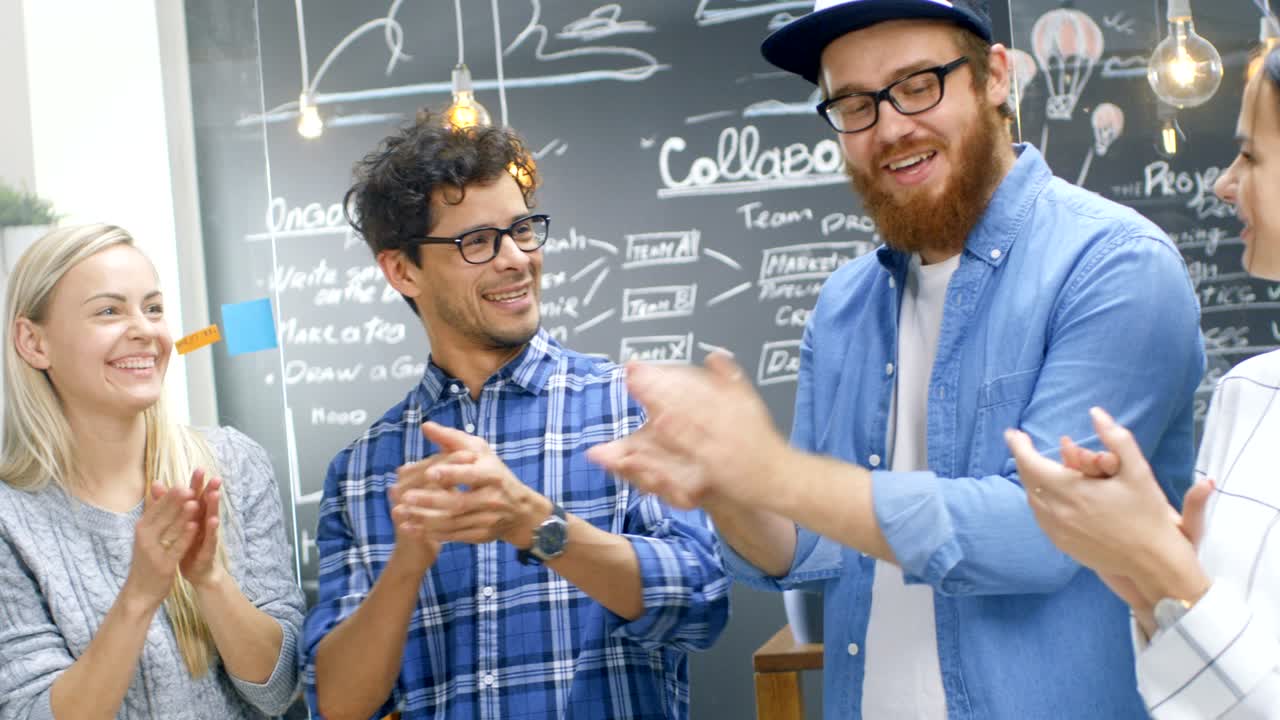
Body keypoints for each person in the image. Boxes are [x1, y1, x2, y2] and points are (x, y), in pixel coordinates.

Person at [588, 0, 1207, 717]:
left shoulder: (1114, 266)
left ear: (995, 77)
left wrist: (776, 473)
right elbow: (812, 545)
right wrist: (728, 485)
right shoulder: (845, 303)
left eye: (918, 85)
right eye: (852, 103)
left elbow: (1041, 536)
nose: (889, 128)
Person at [300, 116, 729, 720]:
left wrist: (537, 525)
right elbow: (336, 705)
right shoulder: (362, 472)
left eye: (522, 230)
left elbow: (701, 601)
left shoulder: (628, 407)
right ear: (402, 270)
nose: (516, 260)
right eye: (477, 241)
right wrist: (405, 567)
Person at [1006, 46, 1280, 718]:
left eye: (1250, 156)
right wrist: (1144, 577)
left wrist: (1166, 572)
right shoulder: (1248, 394)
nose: (1223, 183)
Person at [0, 224, 305, 719]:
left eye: (154, 308)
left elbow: (278, 691)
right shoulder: (10, 518)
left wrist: (209, 579)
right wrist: (140, 594)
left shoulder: (233, 464)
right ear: (33, 342)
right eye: (108, 310)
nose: (145, 329)